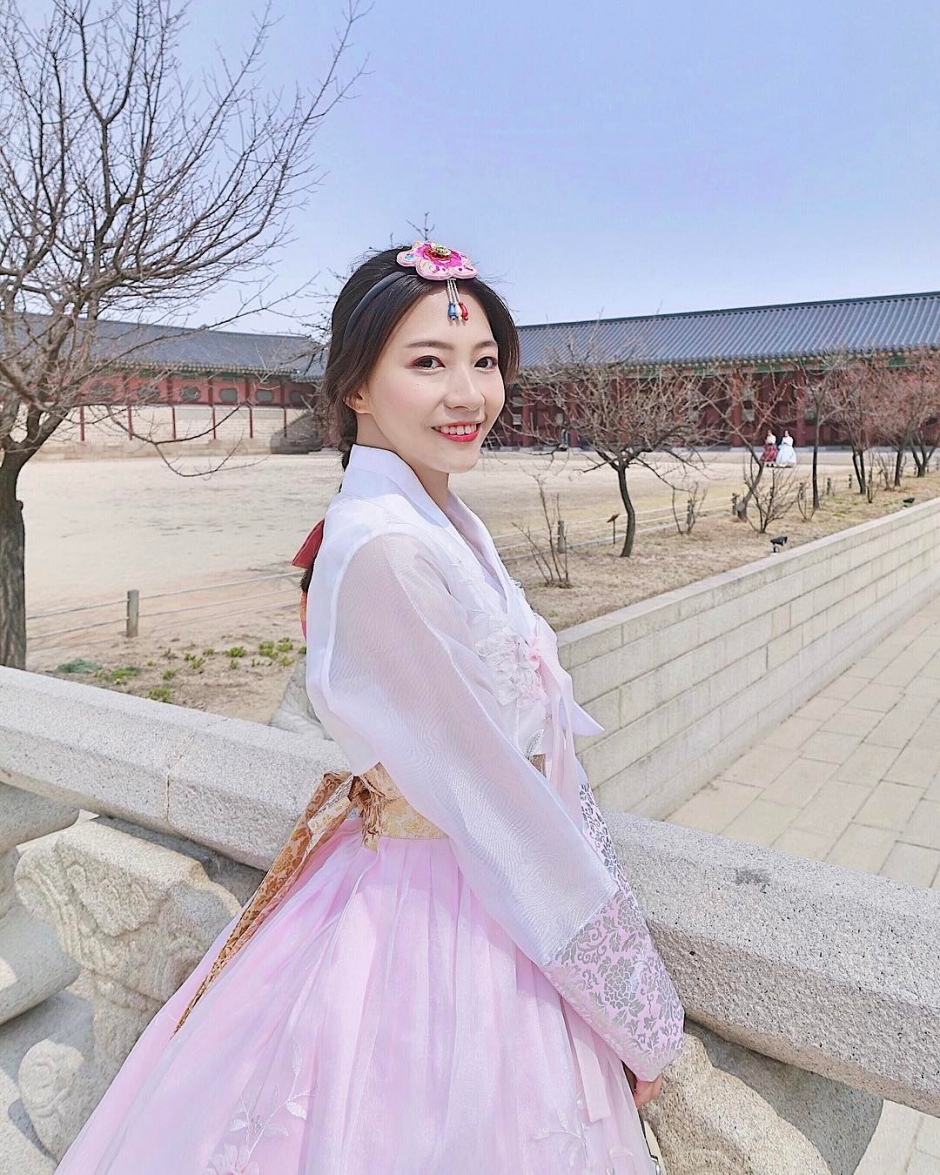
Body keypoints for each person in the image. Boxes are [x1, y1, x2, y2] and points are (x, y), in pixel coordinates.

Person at [55, 242, 684, 1175]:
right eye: (428, 362)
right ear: (356, 386)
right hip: (445, 908)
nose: (468, 394)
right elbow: (497, 798)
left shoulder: (435, 519)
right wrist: (636, 1009)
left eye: (484, 362)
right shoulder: (388, 549)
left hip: (458, 875)